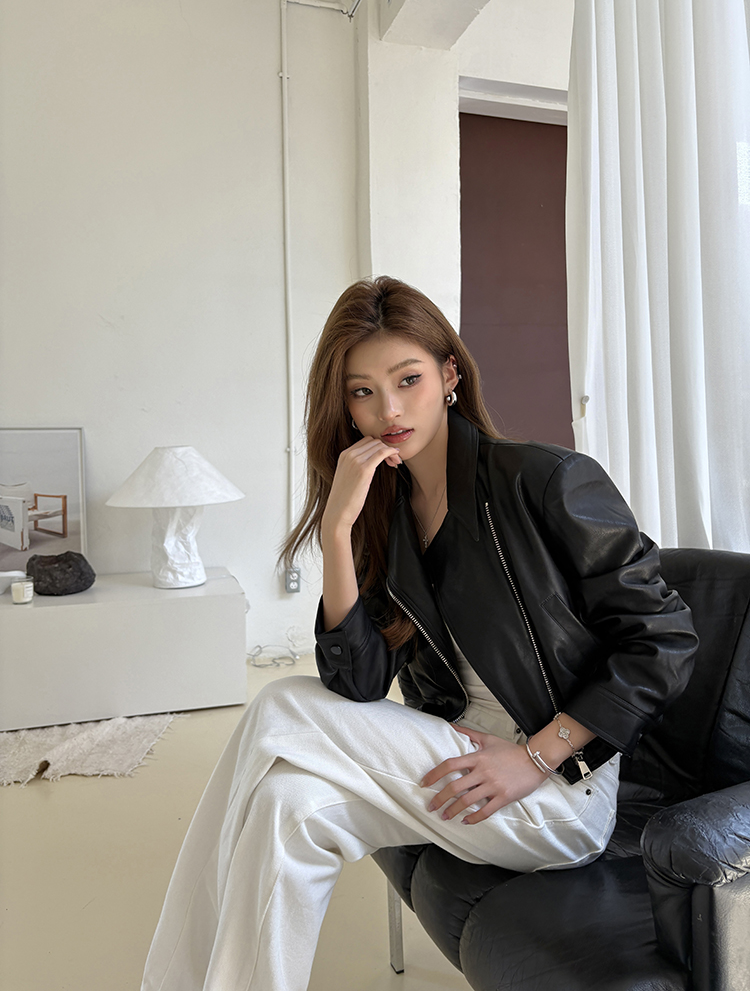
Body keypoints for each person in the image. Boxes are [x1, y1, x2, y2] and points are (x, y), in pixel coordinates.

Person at [141, 276, 698, 991]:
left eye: (408, 380)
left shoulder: (544, 479)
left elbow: (664, 639)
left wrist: (538, 755)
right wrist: (337, 530)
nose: (389, 410)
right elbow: (358, 684)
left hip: (557, 789)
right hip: (455, 763)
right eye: (363, 392)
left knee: (279, 706)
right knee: (287, 808)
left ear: (450, 375)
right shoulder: (387, 513)